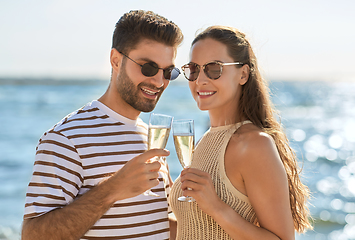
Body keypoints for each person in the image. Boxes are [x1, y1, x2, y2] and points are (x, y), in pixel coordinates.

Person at [22, 10, 183, 240]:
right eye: (148, 67)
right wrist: (112, 189)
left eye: (168, 72)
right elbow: (33, 236)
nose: (159, 81)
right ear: (116, 60)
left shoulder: (151, 136)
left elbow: (157, 223)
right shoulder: (65, 139)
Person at [170, 26, 312, 240]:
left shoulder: (254, 144)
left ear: (243, 74)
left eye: (214, 69)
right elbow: (195, 230)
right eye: (194, 69)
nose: (200, 80)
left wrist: (217, 207)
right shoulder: (205, 140)